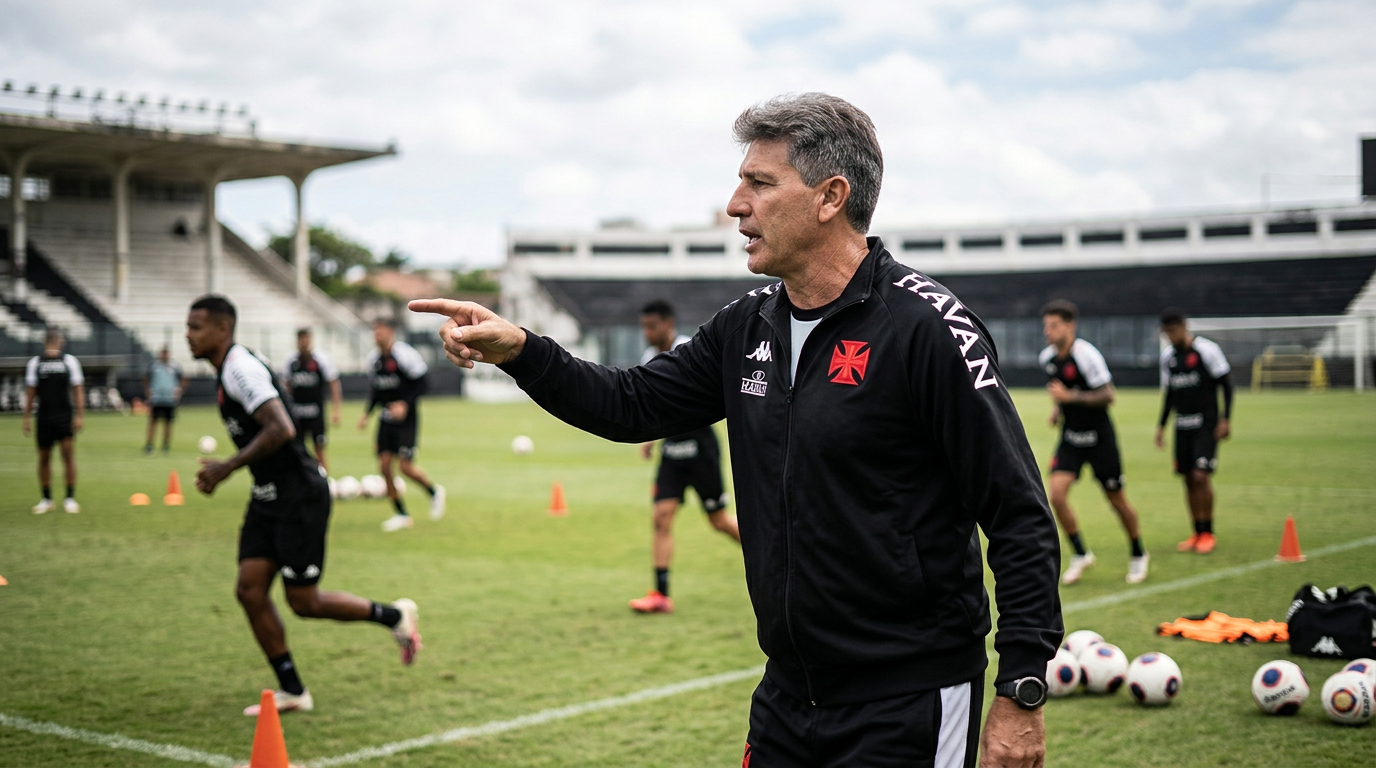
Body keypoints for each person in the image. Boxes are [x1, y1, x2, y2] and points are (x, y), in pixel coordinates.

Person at [413, 93, 1061, 768]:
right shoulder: (745, 326)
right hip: (786, 694)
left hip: (908, 699)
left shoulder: (928, 329)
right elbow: (631, 405)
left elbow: (1018, 516)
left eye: (759, 183)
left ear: (830, 196)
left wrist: (1021, 688)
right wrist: (522, 348)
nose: (734, 204)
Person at [185, 295, 421, 716]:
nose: (188, 334)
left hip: (299, 496)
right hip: (267, 496)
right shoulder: (228, 369)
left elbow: (281, 427)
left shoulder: (240, 368)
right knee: (250, 589)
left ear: (222, 329)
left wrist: (227, 467)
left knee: (304, 602)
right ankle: (293, 689)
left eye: (196, 327)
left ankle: (394, 616)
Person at [630, 299, 740, 614]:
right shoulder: (650, 358)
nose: (647, 333)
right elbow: (656, 403)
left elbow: (706, 398)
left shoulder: (689, 350)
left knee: (719, 522)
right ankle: (661, 595)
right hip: (672, 453)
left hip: (700, 449)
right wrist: (652, 438)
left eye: (652, 327)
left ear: (668, 324)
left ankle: (772, 560)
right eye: (644, 327)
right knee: (661, 518)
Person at [1038, 300, 1148, 586]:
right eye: (1045, 326)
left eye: (1054, 325)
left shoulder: (1086, 356)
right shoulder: (1047, 358)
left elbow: (1107, 396)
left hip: (1099, 439)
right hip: (1071, 437)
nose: (1047, 331)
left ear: (1070, 326)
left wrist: (1069, 399)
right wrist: (1057, 410)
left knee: (1116, 499)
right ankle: (1080, 553)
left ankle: (1138, 553)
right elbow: (1060, 389)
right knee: (1057, 495)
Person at [1156, 307, 1234, 554]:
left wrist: (1226, 419)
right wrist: (1161, 426)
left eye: (1174, 330)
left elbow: (1226, 385)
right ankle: (1196, 531)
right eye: (1167, 332)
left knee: (1201, 476)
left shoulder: (1206, 350)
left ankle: (1208, 532)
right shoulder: (1168, 357)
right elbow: (1169, 394)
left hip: (1206, 424)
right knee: (1188, 479)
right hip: (1182, 425)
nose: (1171, 336)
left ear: (1185, 327)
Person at [358, 319, 445, 532]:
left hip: (407, 419)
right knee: (384, 466)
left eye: (380, 331)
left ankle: (434, 492)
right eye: (374, 331)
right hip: (386, 420)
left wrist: (405, 404)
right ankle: (401, 514)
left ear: (390, 332)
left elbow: (423, 383)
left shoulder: (405, 355)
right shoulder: (374, 360)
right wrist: (367, 414)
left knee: (405, 467)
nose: (376, 335)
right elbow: (377, 391)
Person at [23, 329, 84, 514]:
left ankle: (69, 498)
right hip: (44, 416)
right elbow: (31, 392)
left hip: (63, 415)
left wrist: (79, 414)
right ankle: (47, 499)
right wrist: (26, 417)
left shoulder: (69, 361)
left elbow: (77, 389)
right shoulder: (36, 363)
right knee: (44, 457)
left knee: (67, 455)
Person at [280, 328, 342, 473]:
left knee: (319, 449)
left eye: (306, 339)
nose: (303, 342)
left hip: (316, 414)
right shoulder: (291, 361)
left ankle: (325, 482)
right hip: (297, 414)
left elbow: (333, 383)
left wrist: (336, 409)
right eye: (301, 339)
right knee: (297, 450)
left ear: (311, 340)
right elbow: (285, 386)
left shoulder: (321, 359)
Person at [143, 346, 187, 454]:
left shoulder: (175, 366)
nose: (164, 355)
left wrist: (179, 391)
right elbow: (145, 378)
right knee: (153, 421)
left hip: (169, 399)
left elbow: (183, 378)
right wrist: (148, 391)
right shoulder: (153, 366)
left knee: (168, 423)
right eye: (163, 353)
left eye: (166, 353)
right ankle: (149, 445)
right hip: (156, 398)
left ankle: (166, 446)